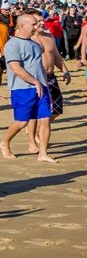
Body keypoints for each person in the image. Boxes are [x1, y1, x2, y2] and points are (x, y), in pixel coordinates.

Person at [2, 13, 55, 163]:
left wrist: (44, 83)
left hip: (42, 87)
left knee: (45, 120)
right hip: (22, 89)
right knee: (22, 121)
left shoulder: (35, 44)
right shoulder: (12, 44)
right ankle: (5, 142)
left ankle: (43, 154)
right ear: (21, 25)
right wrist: (35, 82)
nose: (36, 27)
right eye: (33, 24)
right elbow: (16, 68)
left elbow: (39, 66)